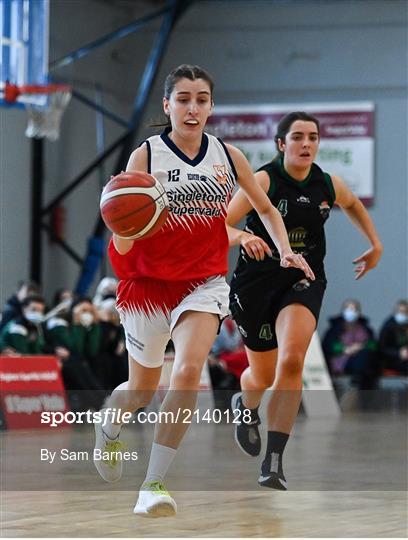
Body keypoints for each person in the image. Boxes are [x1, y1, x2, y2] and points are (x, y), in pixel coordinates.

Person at [93, 65, 313, 517]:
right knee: (140, 388)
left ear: (211, 106)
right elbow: (124, 231)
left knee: (189, 372)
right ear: (167, 105)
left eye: (201, 99)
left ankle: (152, 484)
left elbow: (266, 208)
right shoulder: (146, 156)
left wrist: (285, 249)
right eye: (184, 99)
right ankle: (108, 426)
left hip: (204, 282)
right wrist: (122, 227)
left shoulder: (228, 156)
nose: (193, 108)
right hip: (147, 285)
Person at [226, 111, 382, 490]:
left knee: (293, 358)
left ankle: (274, 461)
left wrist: (374, 244)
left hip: (303, 279)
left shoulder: (327, 185)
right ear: (282, 144)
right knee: (260, 376)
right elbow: (221, 225)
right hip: (255, 284)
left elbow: (354, 205)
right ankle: (245, 408)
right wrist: (244, 238)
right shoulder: (263, 179)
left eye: (312, 137)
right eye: (297, 137)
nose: (306, 144)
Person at [322, 299, 380, 388]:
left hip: (363, 364)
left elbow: (374, 345)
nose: (351, 312)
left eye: (354, 309)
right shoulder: (334, 329)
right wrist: (345, 349)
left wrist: (360, 347)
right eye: (348, 309)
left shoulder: (366, 329)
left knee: (364, 359)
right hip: (339, 363)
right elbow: (328, 346)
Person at [378, 300, 408, 375]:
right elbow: (382, 348)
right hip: (392, 360)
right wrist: (398, 353)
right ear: (395, 312)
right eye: (400, 311)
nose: (402, 314)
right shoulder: (388, 326)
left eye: (405, 312)